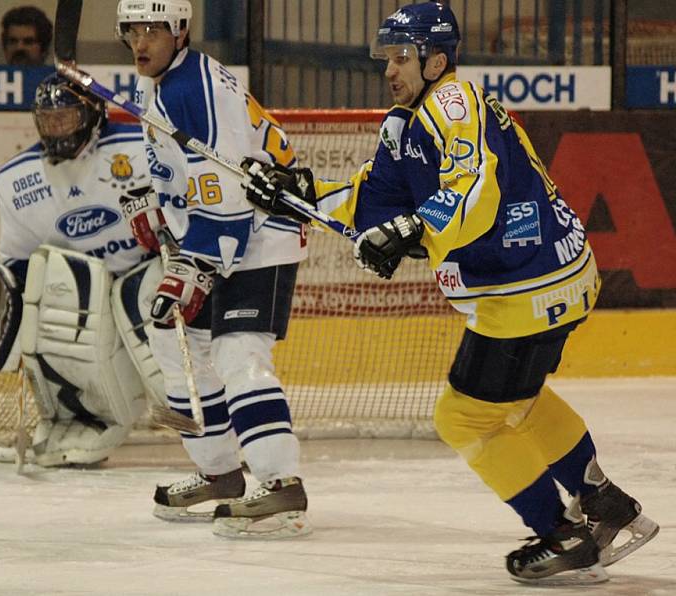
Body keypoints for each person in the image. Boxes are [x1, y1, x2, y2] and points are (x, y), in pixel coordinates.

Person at [241, 0, 658, 582]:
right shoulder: (404, 121)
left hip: (523, 289)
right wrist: (297, 195)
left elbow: (474, 188)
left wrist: (413, 228)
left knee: (463, 418)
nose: (390, 69)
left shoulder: (452, 103)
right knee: (517, 399)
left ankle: (561, 535)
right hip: (552, 276)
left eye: (402, 57)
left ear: (437, 61)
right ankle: (605, 503)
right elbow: (371, 200)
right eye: (387, 57)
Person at [115, 0, 311, 539]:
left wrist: (195, 266)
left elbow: (228, 194)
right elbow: (183, 173)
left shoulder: (194, 88)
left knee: (236, 350)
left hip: (261, 230)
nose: (141, 41)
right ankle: (221, 472)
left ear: (179, 31)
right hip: (219, 229)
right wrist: (160, 207)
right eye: (133, 30)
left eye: (153, 29)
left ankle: (280, 484)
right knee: (174, 340)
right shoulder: (158, 83)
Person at [0, 72, 166, 467]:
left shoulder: (144, 149)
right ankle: (83, 417)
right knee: (58, 286)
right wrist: (8, 325)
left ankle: (216, 415)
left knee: (147, 304)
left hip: (148, 272)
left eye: (66, 120)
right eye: (49, 122)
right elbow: (17, 265)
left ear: (93, 115)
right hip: (89, 294)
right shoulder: (16, 181)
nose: (57, 131)